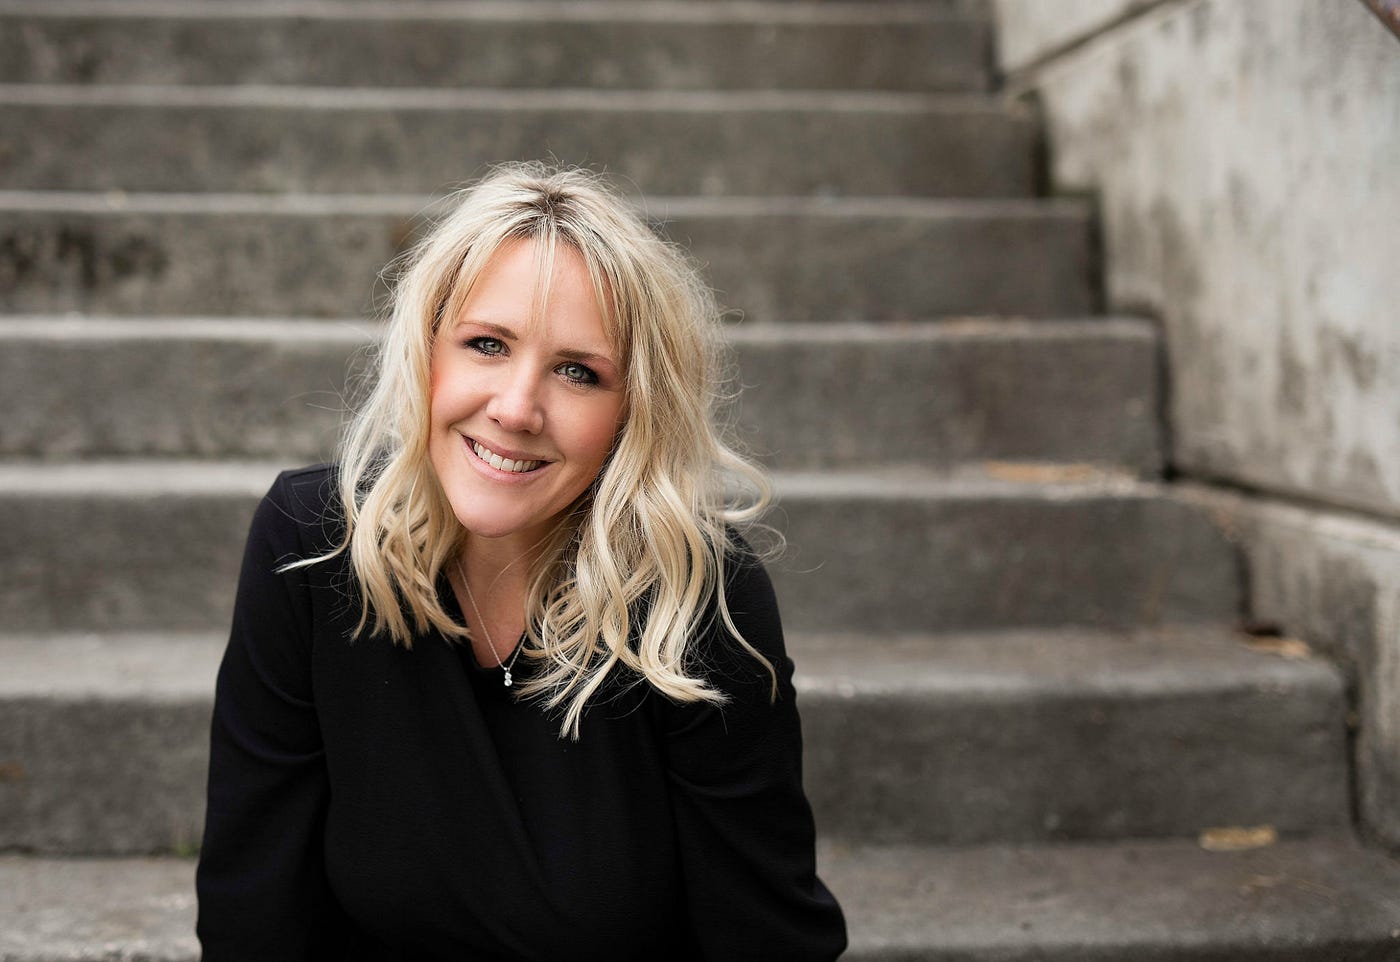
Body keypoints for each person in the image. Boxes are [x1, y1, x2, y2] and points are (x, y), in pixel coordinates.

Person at [195, 163, 847, 960]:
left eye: (578, 372)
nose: (515, 409)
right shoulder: (313, 544)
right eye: (486, 345)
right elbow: (253, 911)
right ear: (426, 352)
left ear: (633, 410)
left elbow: (767, 936)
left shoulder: (698, 593)